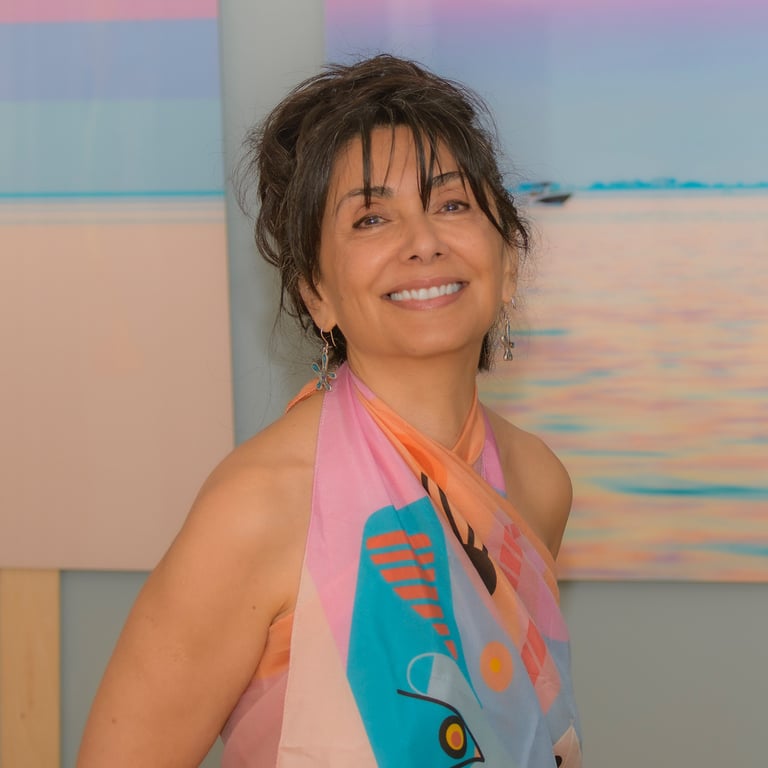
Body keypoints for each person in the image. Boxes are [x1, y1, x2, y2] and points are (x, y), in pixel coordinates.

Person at [78, 54, 582, 767]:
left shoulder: (538, 482)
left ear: (508, 264)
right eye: (372, 218)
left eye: (452, 204)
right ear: (317, 294)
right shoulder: (258, 508)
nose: (424, 242)